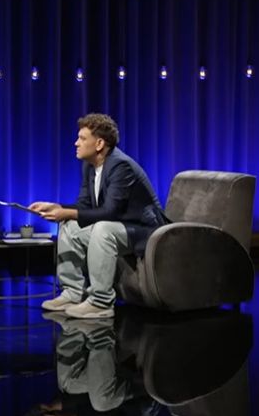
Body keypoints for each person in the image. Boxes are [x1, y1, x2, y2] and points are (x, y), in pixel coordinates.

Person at [29, 114, 168, 318]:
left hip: (143, 230)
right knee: (70, 224)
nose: (76, 143)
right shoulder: (90, 165)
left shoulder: (121, 166)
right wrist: (57, 207)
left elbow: (111, 211)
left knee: (102, 228)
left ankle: (101, 302)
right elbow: (83, 206)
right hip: (117, 226)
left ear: (99, 144)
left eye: (82, 138)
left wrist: (66, 212)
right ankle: (73, 292)